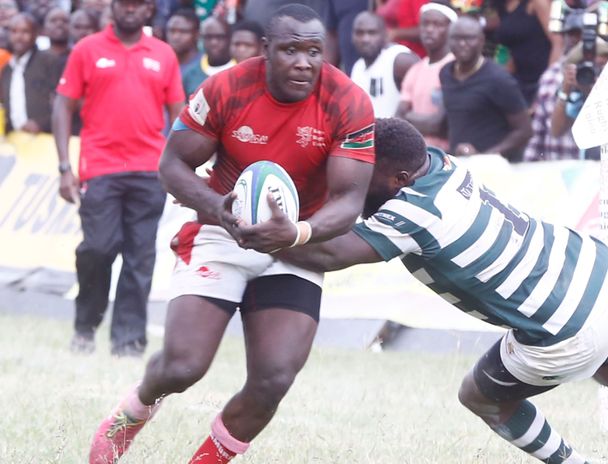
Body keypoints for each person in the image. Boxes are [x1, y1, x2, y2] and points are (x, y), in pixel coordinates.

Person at [274, 117, 608, 464]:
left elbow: (328, 255)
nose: (353, 182)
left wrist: (263, 236)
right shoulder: (438, 164)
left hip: (565, 324)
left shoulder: (413, 212)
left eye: (362, 173)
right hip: (602, 274)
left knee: (479, 396)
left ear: (395, 180)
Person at [86, 5, 375, 463]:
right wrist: (216, 209)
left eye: (314, 51)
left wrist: (296, 232)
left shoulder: (348, 101)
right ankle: (129, 417)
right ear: (266, 50)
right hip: (223, 230)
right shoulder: (227, 86)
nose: (304, 62)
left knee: (274, 378)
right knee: (183, 366)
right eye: (291, 50)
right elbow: (172, 164)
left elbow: (349, 201)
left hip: (295, 243)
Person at [52, 0, 185, 357]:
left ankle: (129, 341)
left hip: (149, 170)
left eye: (137, 4)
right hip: (100, 168)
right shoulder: (87, 49)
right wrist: (64, 167)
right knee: (98, 248)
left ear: (149, 10)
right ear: (112, 7)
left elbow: (179, 116)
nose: (130, 9)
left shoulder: (163, 54)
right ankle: (86, 323)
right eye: (124, 3)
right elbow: (63, 105)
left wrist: (180, 169)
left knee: (140, 257)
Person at [440, 15, 531, 162]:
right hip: (459, 164)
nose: (462, 44)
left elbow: (524, 131)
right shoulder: (446, 73)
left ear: (482, 40)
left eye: (469, 38)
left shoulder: (498, 79)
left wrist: (484, 157)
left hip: (493, 167)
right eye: (456, 38)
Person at [524, 10, 583, 162]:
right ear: (564, 36)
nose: (577, 39)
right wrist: (529, 164)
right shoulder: (551, 75)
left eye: (582, 34)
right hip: (556, 166)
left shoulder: (604, 72)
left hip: (592, 168)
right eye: (572, 34)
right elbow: (539, 127)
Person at [395, 1, 455, 150]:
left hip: (446, 155)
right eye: (425, 24)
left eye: (437, 24)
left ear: (451, 29)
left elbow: (440, 125)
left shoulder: (455, 67)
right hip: (417, 155)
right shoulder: (415, 69)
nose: (429, 29)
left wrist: (409, 117)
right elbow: (399, 119)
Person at [351, 11, 419, 118]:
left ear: (386, 35)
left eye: (372, 33)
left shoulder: (398, 59)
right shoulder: (357, 67)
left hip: (398, 127)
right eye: (360, 33)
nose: (365, 39)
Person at [1, 13, 59, 135]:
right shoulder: (7, 69)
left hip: (46, 137)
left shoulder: (49, 61)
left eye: (25, 31)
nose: (19, 37)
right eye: (14, 31)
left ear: (35, 34)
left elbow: (63, 102)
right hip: (14, 138)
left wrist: (41, 123)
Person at [491, 0, 553, 104]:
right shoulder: (503, 6)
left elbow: (558, 43)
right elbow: (513, 48)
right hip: (519, 81)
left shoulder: (536, 3)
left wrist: (549, 83)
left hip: (542, 79)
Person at [182, 16, 235, 97]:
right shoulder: (190, 74)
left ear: (230, 38)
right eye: (208, 37)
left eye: (220, 37)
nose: (214, 42)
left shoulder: (242, 69)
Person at [165, 7, 201, 77]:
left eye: (183, 31)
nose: (176, 37)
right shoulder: (160, 63)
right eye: (172, 31)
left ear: (197, 34)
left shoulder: (205, 65)